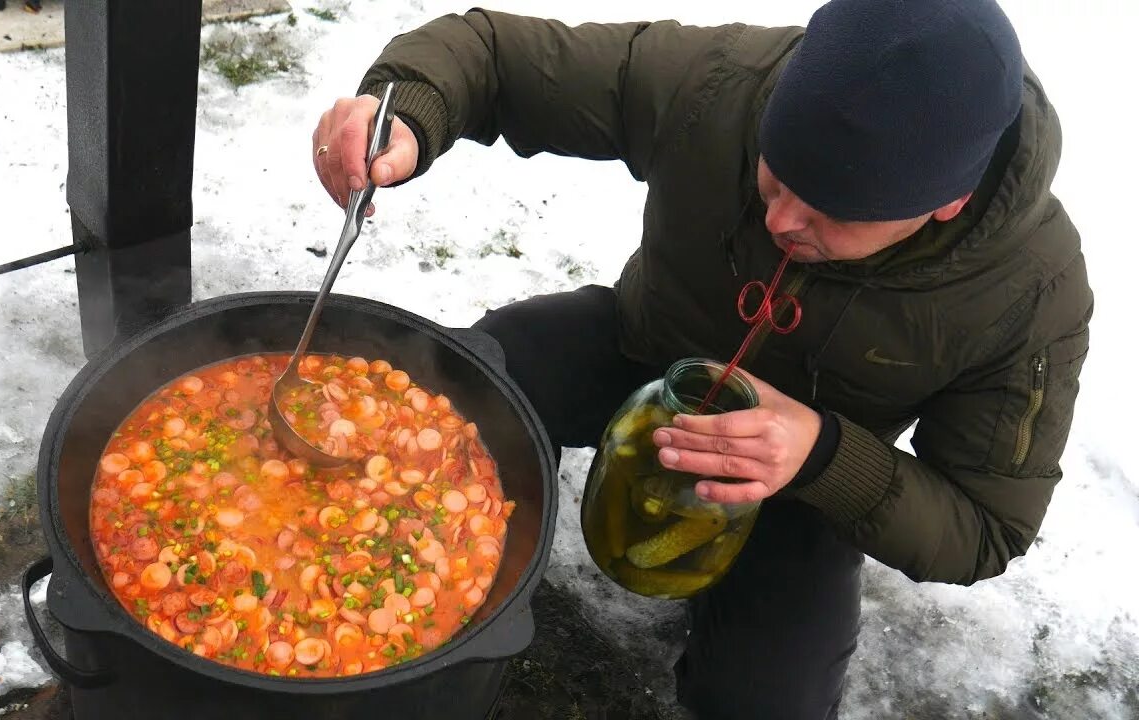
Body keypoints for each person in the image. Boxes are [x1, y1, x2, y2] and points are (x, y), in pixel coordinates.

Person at [308, 0, 1093, 717]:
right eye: (775, 175)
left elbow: (989, 523)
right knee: (477, 377)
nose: (781, 220)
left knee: (766, 703)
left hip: (800, 483)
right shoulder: (725, 85)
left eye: (830, 213)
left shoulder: (1031, 293)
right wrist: (403, 108)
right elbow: (496, 54)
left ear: (944, 204)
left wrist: (822, 455)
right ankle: (398, 598)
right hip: (645, 350)